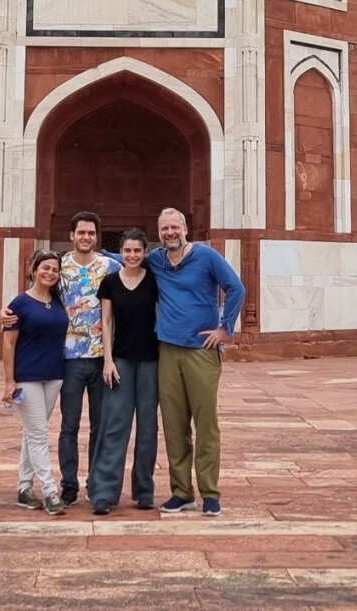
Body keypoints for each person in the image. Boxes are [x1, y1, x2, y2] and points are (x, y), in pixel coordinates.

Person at [148, 207, 244, 516]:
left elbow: (236, 288)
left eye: (174, 227)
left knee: (206, 424)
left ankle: (210, 492)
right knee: (174, 425)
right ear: (159, 233)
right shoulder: (156, 260)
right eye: (164, 229)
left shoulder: (205, 255)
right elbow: (125, 258)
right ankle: (181, 492)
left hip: (201, 351)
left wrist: (225, 329)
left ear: (185, 229)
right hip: (168, 350)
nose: (170, 233)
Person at [90, 228, 160, 515]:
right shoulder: (110, 282)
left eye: (137, 251)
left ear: (144, 252)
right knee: (115, 426)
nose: (132, 255)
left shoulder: (155, 281)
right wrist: (107, 360)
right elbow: (106, 322)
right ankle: (105, 493)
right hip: (120, 360)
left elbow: (161, 316)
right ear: (121, 252)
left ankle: (143, 490)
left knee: (147, 429)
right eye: (128, 251)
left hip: (151, 361)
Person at [54, 211, 118, 506]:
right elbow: (37, 295)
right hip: (68, 359)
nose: (86, 237)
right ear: (72, 235)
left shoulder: (110, 266)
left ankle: (96, 482)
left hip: (101, 358)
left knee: (99, 425)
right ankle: (69, 484)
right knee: (69, 426)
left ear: (97, 236)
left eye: (91, 233)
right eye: (81, 232)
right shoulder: (58, 266)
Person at [3, 250, 70, 514]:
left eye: (55, 269)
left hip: (53, 376)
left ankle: (24, 487)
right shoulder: (20, 303)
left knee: (33, 432)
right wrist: (9, 382)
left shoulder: (57, 301)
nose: (50, 273)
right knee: (39, 434)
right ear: (33, 269)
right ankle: (50, 490)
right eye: (45, 268)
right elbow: (8, 343)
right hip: (27, 378)